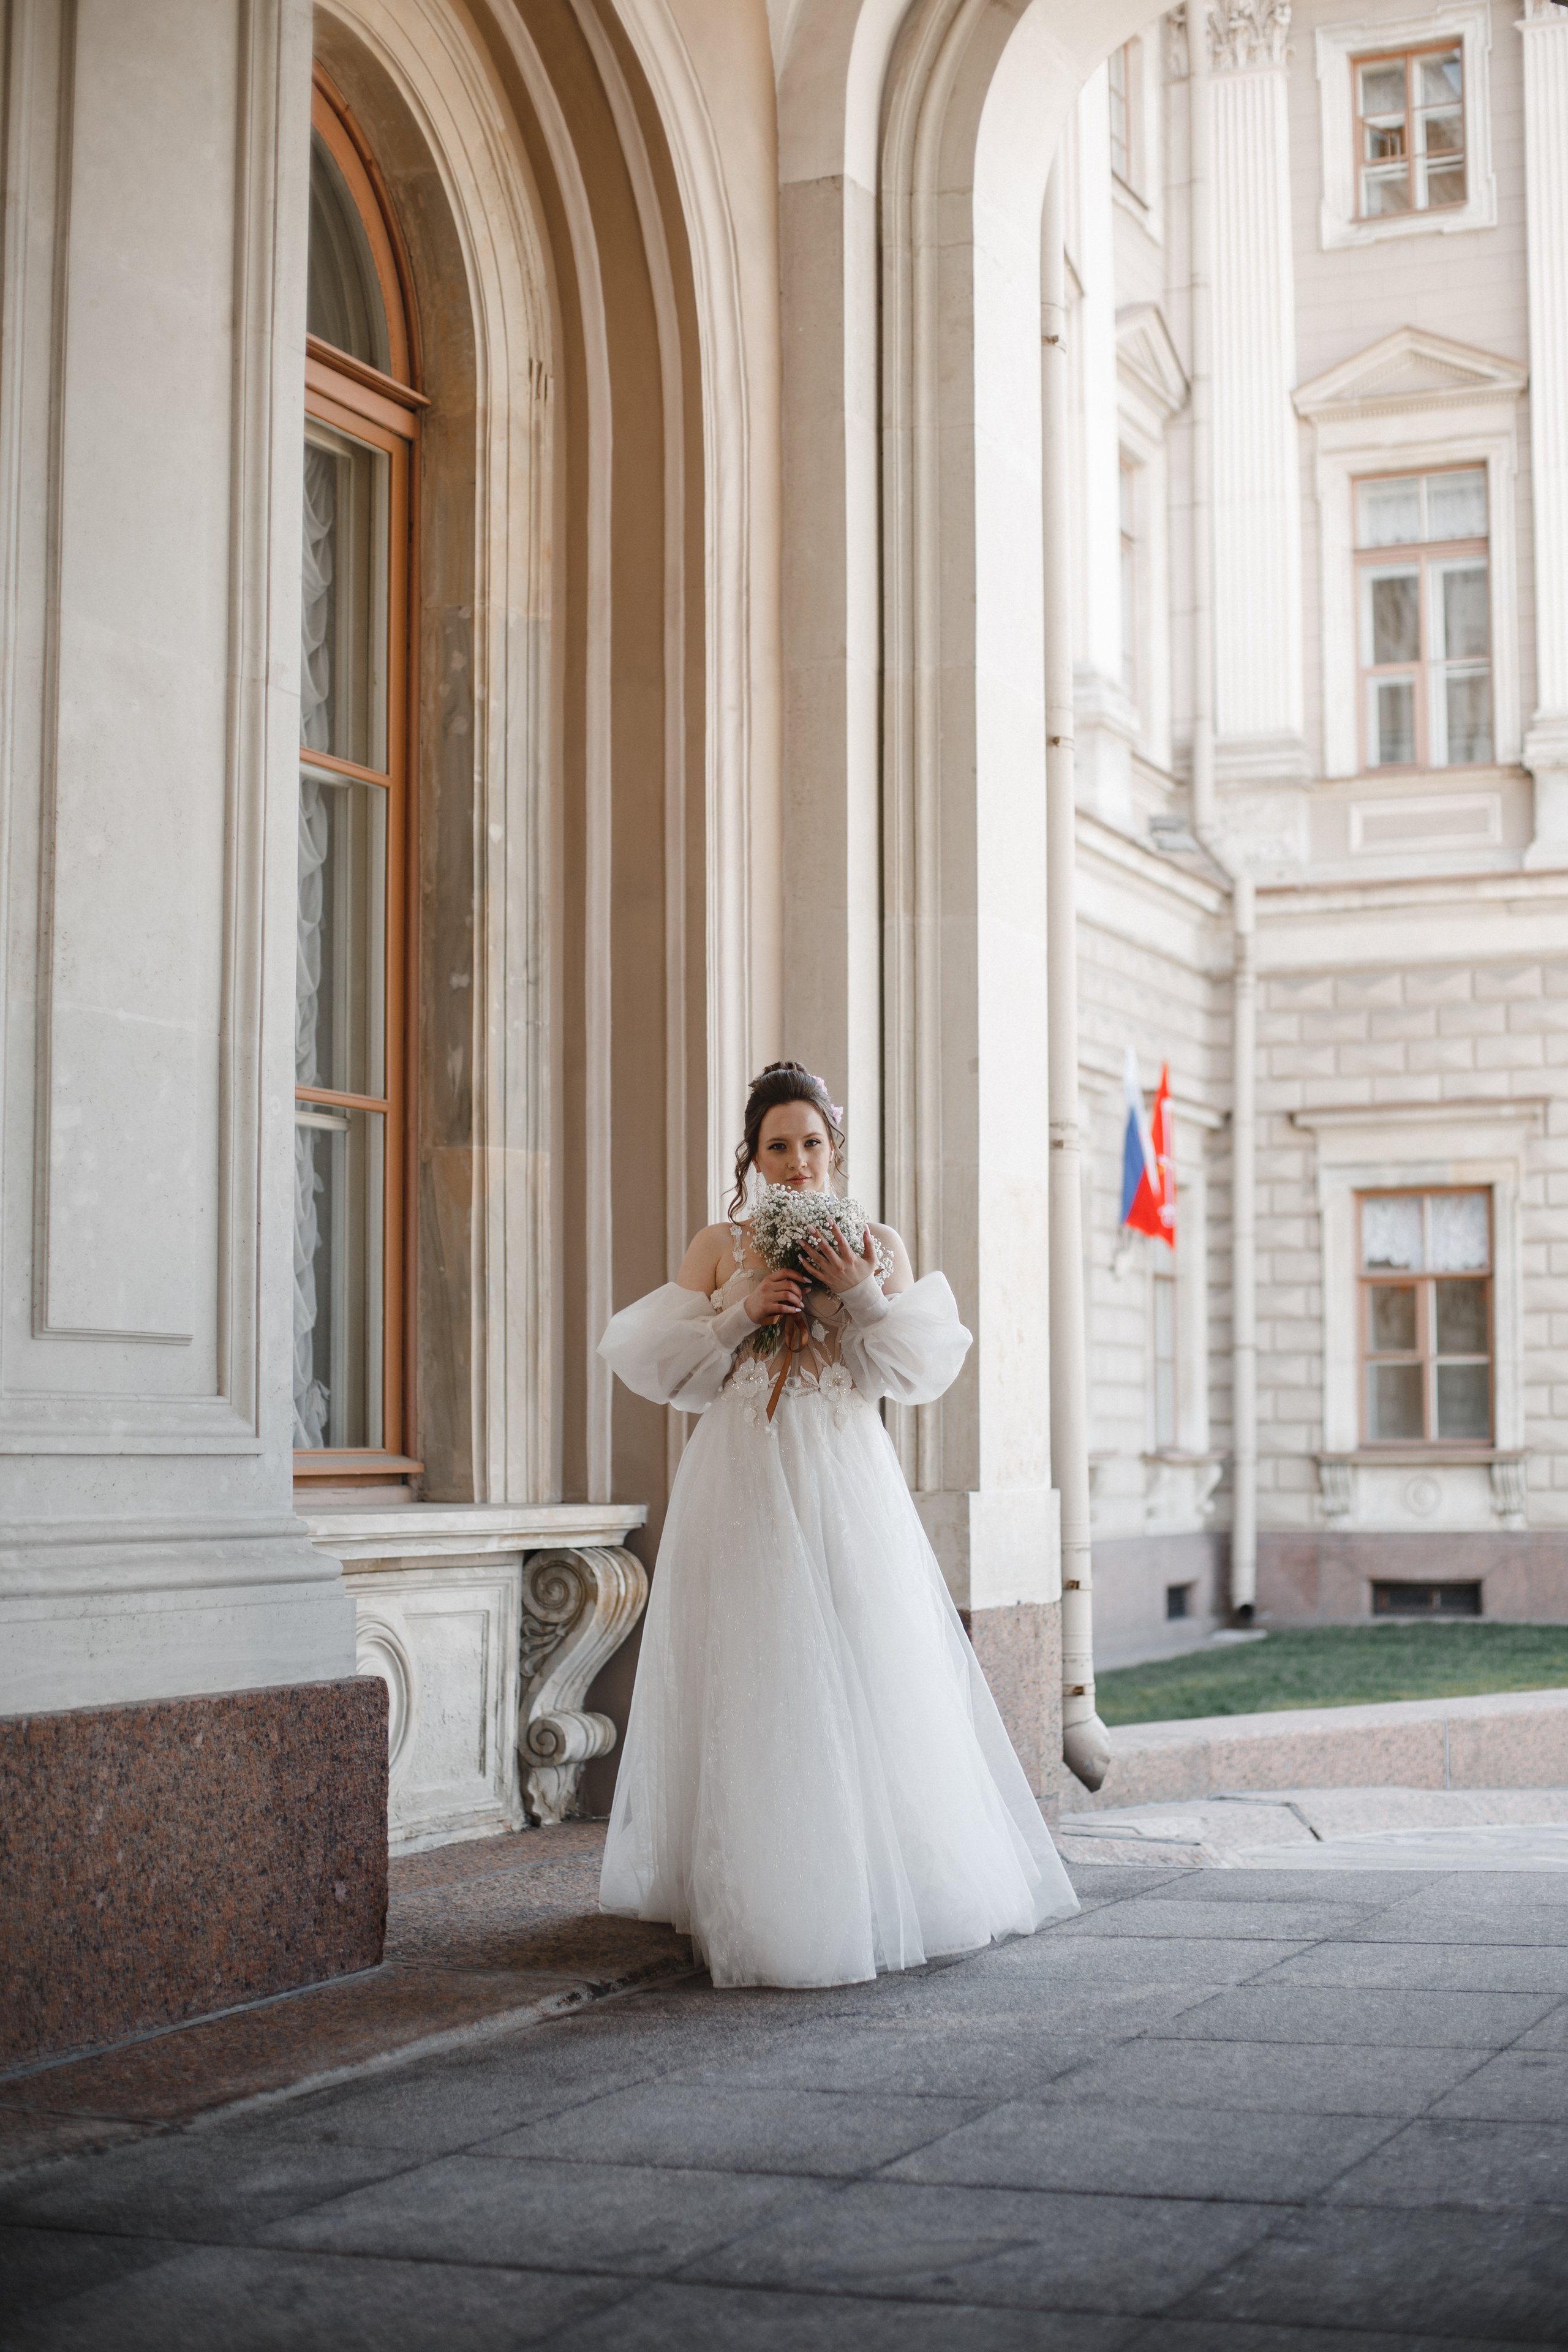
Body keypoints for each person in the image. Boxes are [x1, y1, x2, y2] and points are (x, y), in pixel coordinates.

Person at [597, 1060, 1078, 1986]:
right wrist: (743, 1311)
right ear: (753, 1156)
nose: (795, 1161)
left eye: (811, 1144)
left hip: (845, 1469)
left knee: (869, 1655)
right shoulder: (719, 1244)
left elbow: (912, 1370)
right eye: (776, 1146)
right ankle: (761, 1889)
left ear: (835, 1149)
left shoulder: (877, 1240)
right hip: (744, 1470)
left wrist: (857, 1292)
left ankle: (885, 1878)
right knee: (759, 1663)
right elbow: (669, 1372)